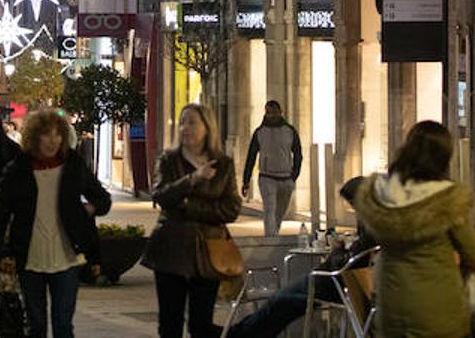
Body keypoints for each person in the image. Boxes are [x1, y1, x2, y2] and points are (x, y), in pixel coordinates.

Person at [353, 120, 475, 338]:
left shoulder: (382, 195)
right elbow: (474, 254)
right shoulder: (447, 199)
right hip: (439, 306)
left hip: (392, 303)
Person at [0, 108, 111, 338]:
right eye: (46, 135)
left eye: (58, 135)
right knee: (36, 324)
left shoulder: (73, 165)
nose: (53, 140)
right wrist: (1, 252)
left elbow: (102, 199)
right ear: (35, 137)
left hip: (66, 257)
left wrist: (88, 209)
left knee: (63, 324)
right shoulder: (18, 169)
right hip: (30, 257)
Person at [228, 177, 376, 338]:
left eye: (352, 202)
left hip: (331, 282)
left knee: (279, 302)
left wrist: (338, 250)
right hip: (333, 281)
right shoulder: (373, 227)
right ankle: (239, 332)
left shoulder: (372, 229)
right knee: (280, 303)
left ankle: (238, 333)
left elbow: (346, 263)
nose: (352, 207)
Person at [142, 103, 243, 338]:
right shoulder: (168, 160)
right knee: (170, 322)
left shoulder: (223, 164)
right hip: (171, 251)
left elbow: (231, 209)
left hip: (209, 253)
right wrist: (193, 179)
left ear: (207, 128)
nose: (185, 128)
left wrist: (188, 205)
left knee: (201, 324)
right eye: (182, 122)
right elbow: (161, 196)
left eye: (192, 122)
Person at [240, 100, 302, 236]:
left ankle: (274, 234)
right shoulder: (260, 132)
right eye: (268, 112)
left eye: (274, 112)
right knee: (269, 209)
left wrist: (294, 176)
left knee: (279, 213)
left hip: (286, 178)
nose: (272, 115)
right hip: (267, 177)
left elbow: (298, 154)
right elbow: (251, 157)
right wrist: (246, 181)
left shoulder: (290, 131)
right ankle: (270, 238)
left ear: (280, 112)